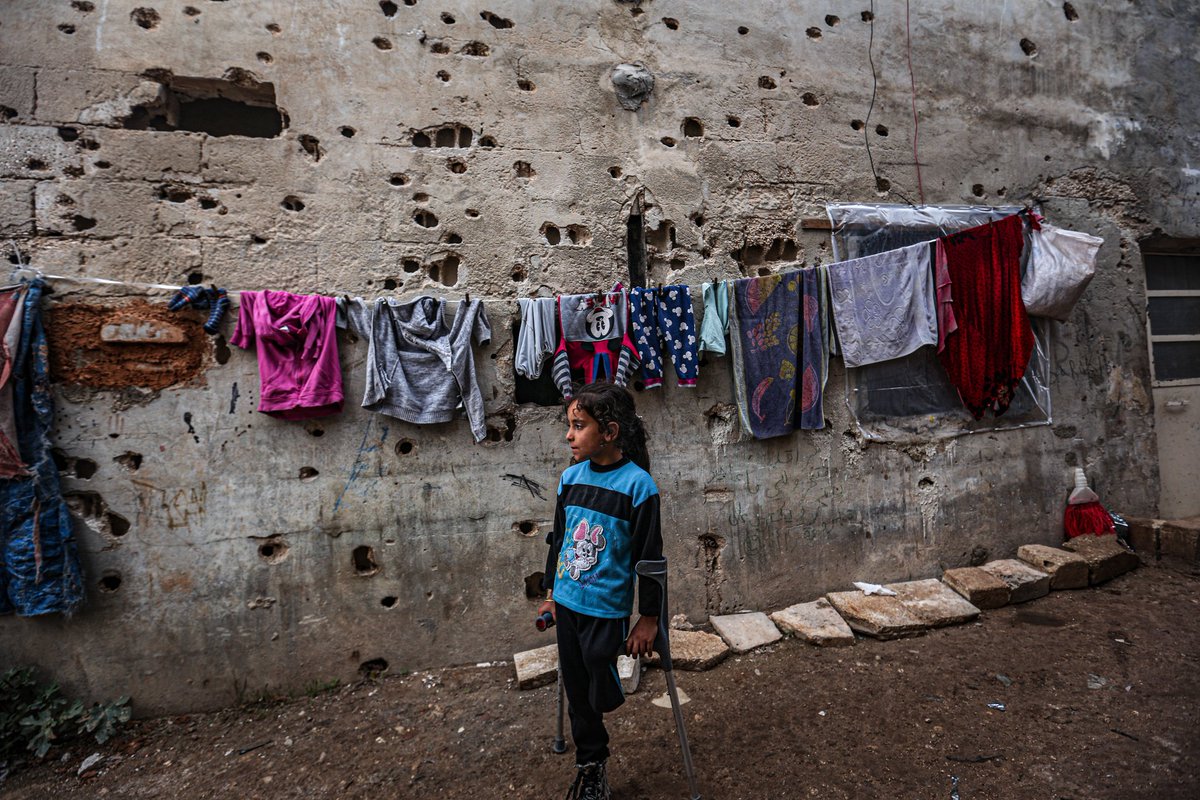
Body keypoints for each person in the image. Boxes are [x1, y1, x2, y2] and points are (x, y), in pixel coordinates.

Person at [537, 382, 664, 800]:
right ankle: (592, 765)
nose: (568, 436)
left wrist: (649, 618)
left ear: (608, 432)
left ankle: (605, 687)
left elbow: (650, 558)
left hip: (607, 605)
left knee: (596, 659)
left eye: (578, 426)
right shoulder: (570, 479)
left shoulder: (638, 486)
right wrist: (552, 591)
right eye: (569, 426)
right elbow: (559, 540)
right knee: (577, 689)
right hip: (569, 600)